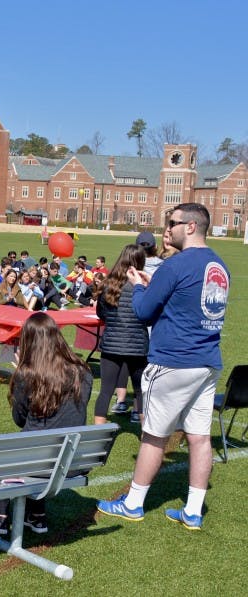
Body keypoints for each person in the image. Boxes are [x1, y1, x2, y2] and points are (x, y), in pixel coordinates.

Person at [98, 204, 229, 530]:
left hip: (173, 361)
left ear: (191, 226)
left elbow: (143, 312)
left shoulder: (176, 264)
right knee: (200, 437)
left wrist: (141, 285)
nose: (166, 230)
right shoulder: (220, 264)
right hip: (207, 361)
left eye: (172, 223)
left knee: (154, 435)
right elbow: (187, 301)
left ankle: (133, 503)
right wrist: (152, 283)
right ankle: (193, 511)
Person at [0, 312, 92, 535]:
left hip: (38, 461)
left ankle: (1, 515)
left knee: (5, 453)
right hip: (73, 461)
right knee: (42, 442)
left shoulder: (27, 374)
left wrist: (18, 376)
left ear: (28, 341)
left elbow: (19, 419)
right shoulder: (83, 371)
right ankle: (36, 515)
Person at [93, 244, 148, 424]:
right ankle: (146, 437)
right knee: (140, 391)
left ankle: (96, 434)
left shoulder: (108, 284)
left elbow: (101, 313)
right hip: (137, 346)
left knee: (106, 391)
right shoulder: (144, 287)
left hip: (111, 345)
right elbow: (149, 315)